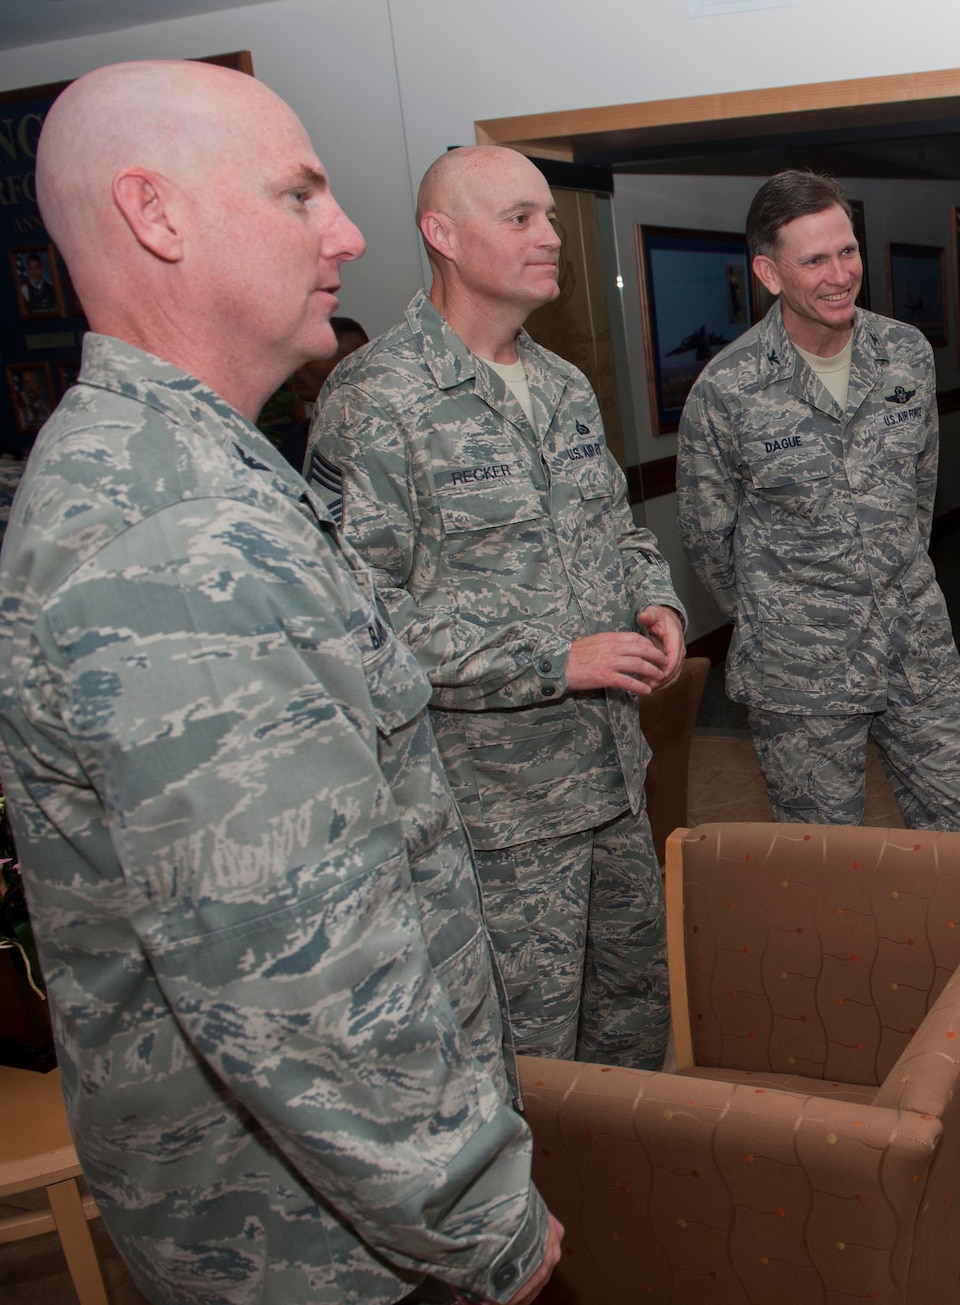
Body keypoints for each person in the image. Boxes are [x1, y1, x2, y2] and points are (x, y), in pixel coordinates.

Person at [0, 60, 557, 1304]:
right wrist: (479, 1219)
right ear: (158, 216)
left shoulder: (201, 470)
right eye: (301, 194)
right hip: (315, 1250)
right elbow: (300, 974)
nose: (347, 232)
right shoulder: (177, 533)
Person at [677, 169, 960, 1098]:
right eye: (815, 258)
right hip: (799, 673)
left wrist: (876, 584)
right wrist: (794, 611)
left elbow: (917, 492)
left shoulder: (906, 354)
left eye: (848, 248)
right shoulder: (727, 389)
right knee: (828, 876)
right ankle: (860, 1054)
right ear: (769, 272)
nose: (841, 272)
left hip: (915, 650)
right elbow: (709, 538)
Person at [311, 146, 683, 1069]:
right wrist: (553, 659)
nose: (551, 236)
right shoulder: (378, 401)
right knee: (526, 1066)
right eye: (520, 218)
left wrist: (658, 599)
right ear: (442, 235)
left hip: (612, 779)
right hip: (495, 819)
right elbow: (359, 621)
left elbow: (619, 531)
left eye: (551, 217)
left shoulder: (562, 385)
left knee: (633, 1030)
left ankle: (625, 1215)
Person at [260, 314, 368, 469]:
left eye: (310, 359)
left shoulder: (381, 433)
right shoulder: (301, 437)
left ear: (347, 364)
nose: (297, 369)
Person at [16, 250, 58, 315]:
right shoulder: (29, 291)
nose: (34, 272)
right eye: (31, 269)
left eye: (36, 268)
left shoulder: (52, 290)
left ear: (41, 269)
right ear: (28, 271)